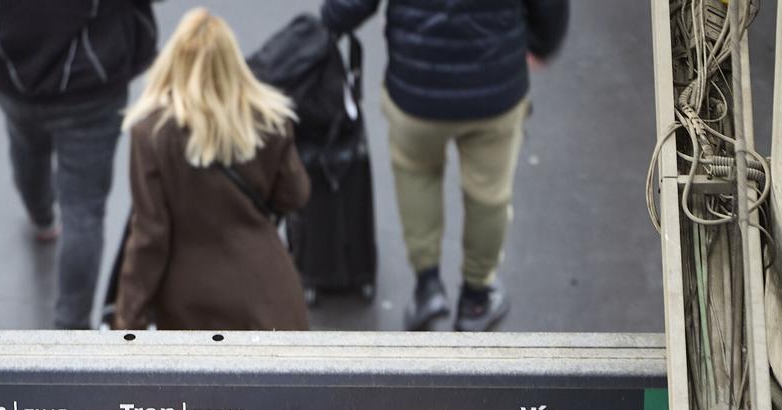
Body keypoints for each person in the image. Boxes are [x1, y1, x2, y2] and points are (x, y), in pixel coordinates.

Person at [321, 0, 569, 331]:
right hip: (495, 89)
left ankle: (427, 288)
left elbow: (349, 7)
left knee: (416, 174)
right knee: (489, 194)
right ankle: (476, 298)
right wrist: (543, 44)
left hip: (415, 86)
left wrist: (328, 22)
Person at [0, 0, 159, 329]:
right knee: (84, 211)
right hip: (93, 85)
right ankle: (70, 329)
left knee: (26, 144)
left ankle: (41, 217)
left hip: (10, 69)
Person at [113, 8, 311, 331]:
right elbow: (295, 195)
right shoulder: (271, 121)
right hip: (267, 293)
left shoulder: (151, 133)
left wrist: (127, 320)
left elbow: (149, 236)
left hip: (189, 303)